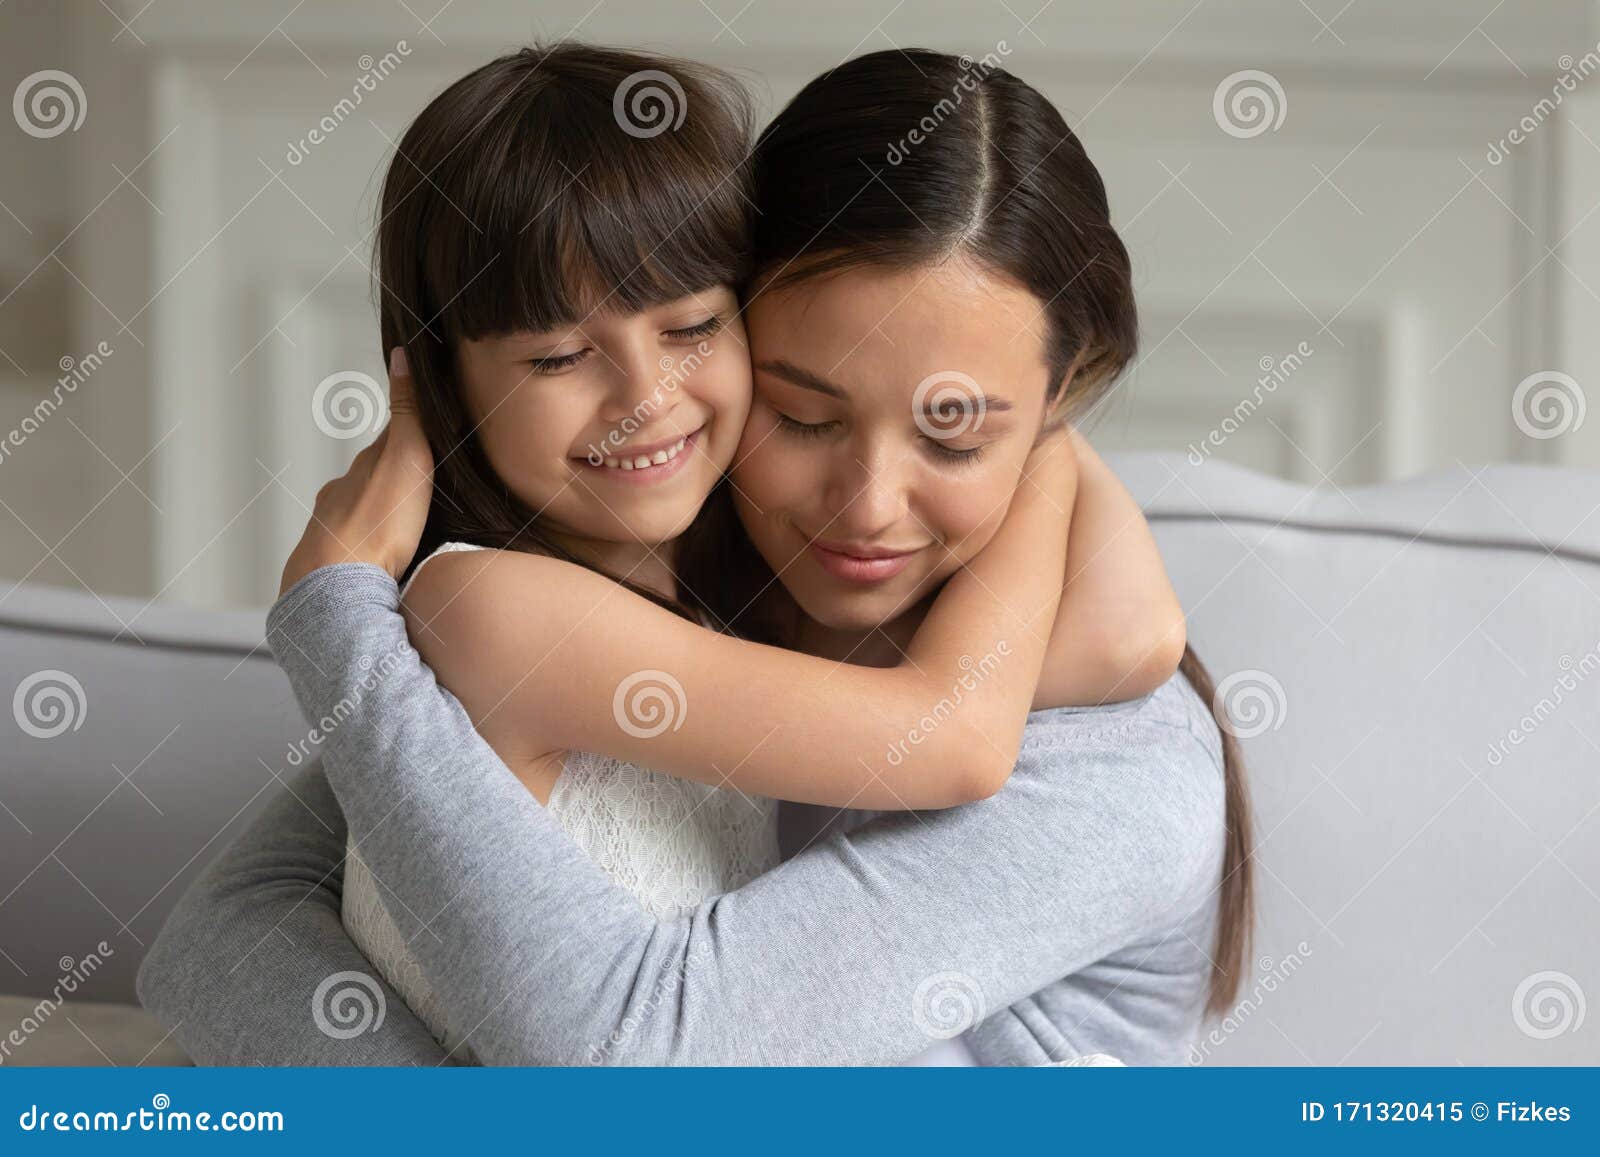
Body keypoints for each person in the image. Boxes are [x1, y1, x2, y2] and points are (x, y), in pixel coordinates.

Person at [138, 45, 1251, 1067]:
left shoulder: (1115, 770)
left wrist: (336, 619)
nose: (867, 507)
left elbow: (640, 1064)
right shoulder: (669, 598)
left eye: (957, 432)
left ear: (1062, 398)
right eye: (803, 415)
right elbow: (218, 938)